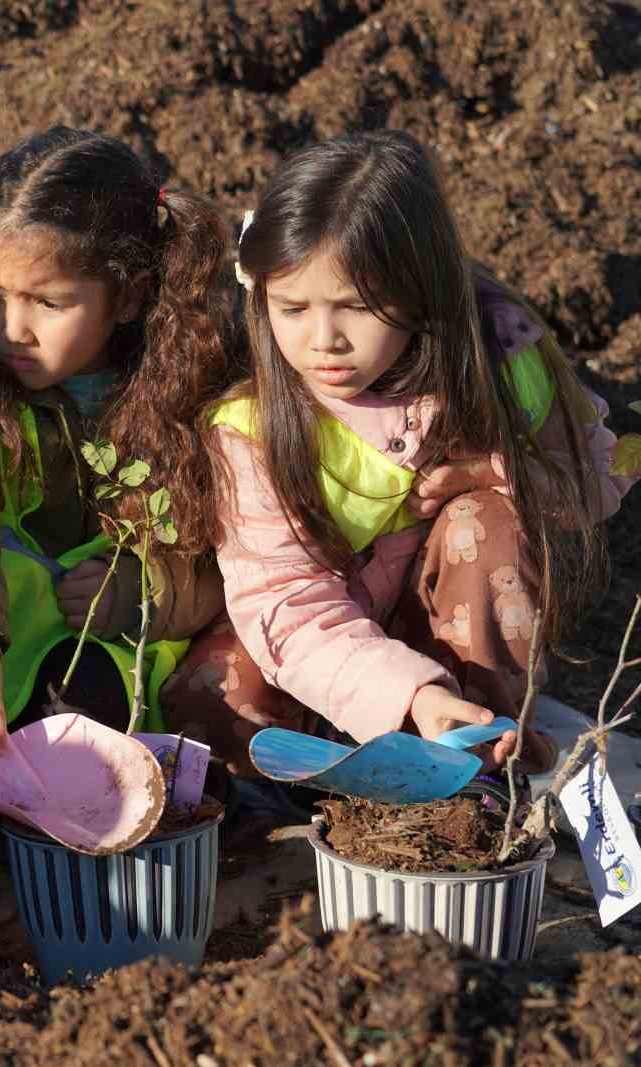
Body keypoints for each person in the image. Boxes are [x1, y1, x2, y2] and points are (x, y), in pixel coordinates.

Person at [163, 129, 636, 779]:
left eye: (357, 307)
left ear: (420, 292)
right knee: (208, 703)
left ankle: (482, 751)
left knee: (486, 524)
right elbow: (287, 605)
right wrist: (407, 694)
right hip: (323, 657)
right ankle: (343, 776)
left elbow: (599, 475)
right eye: (292, 307)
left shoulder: (497, 363)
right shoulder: (253, 428)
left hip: (449, 652)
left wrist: (492, 473)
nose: (323, 341)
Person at [0, 127, 234, 759]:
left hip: (129, 655)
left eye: (48, 302)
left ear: (128, 296)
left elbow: (240, 547)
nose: (11, 329)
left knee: (85, 724)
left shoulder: (202, 386)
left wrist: (146, 590)